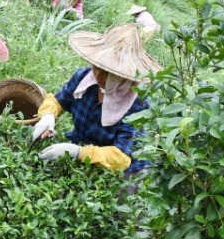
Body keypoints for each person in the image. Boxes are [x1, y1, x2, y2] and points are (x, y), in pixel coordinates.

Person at [30, 23, 160, 174]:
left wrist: (78, 153)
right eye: (96, 67)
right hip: (83, 146)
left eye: (106, 72)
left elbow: (122, 157)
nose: (97, 76)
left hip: (121, 169)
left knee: (122, 192)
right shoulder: (84, 79)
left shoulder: (137, 103)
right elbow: (58, 100)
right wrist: (48, 116)